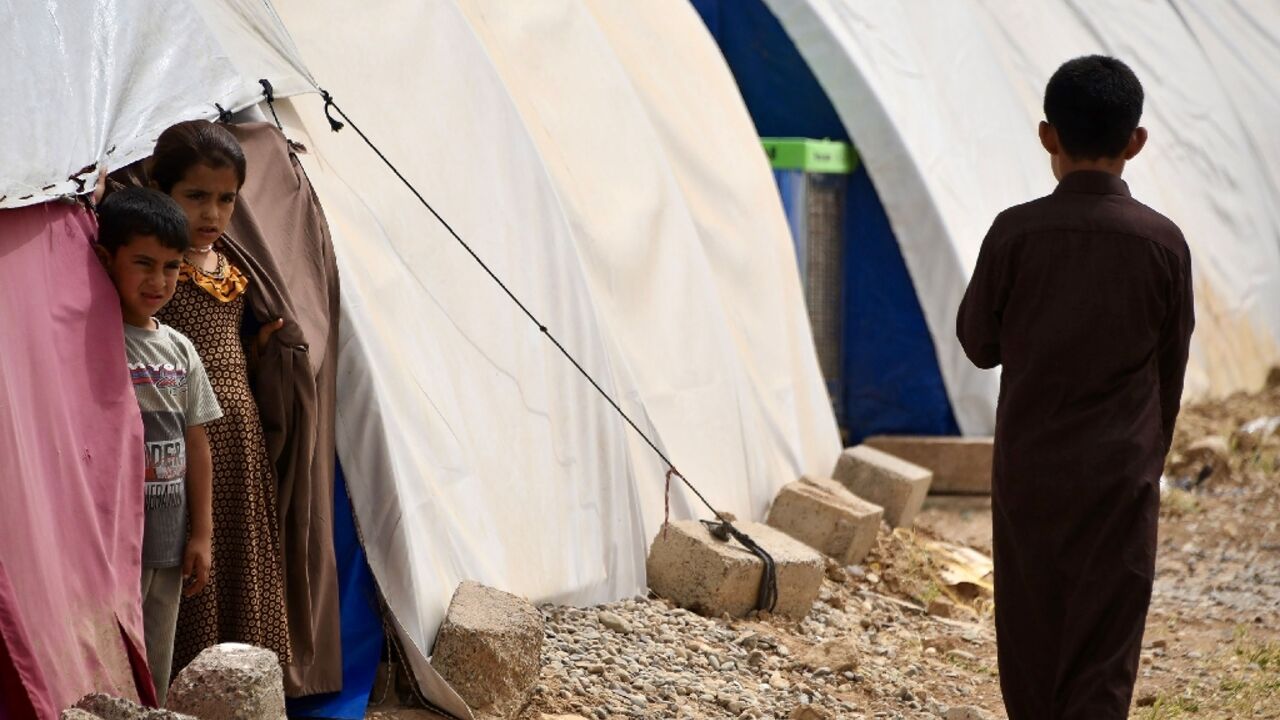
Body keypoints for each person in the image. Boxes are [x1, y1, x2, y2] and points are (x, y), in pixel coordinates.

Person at [956, 55, 1195, 719]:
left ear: (1047, 136)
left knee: (1033, 632)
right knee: (1105, 643)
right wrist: (1149, 458)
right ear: (1135, 142)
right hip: (1121, 472)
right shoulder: (1163, 242)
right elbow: (1169, 369)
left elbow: (978, 346)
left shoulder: (1015, 233)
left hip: (1031, 468)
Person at [147, 120, 292, 675]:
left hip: (241, 439)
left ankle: (245, 688)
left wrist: (258, 354)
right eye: (196, 197)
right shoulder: (158, 270)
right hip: (183, 441)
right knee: (191, 563)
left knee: (239, 562)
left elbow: (225, 350)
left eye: (226, 199)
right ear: (163, 191)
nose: (211, 214)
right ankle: (190, 688)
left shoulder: (233, 267)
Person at [95, 188, 223, 705]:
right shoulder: (95, 338)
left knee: (155, 662)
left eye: (171, 267)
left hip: (167, 542)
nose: (158, 281)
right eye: (143, 264)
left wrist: (203, 534)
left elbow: (197, 442)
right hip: (109, 543)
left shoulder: (179, 349)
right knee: (106, 662)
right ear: (108, 259)